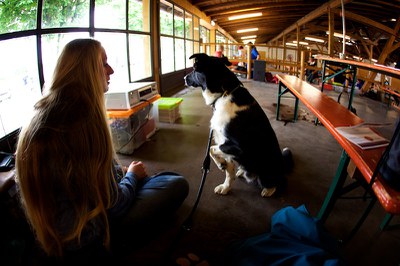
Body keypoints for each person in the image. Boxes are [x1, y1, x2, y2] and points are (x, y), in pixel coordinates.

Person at [15, 38, 189, 263]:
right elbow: (114, 206)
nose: (111, 70)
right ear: (86, 69)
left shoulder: (41, 112)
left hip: (51, 233)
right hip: (86, 239)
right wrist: (131, 177)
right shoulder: (83, 120)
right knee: (174, 182)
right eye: (104, 63)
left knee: (140, 177)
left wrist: (118, 173)